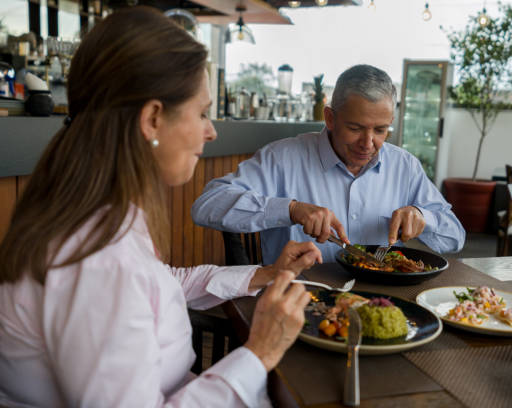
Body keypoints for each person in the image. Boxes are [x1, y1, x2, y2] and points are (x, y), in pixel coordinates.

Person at [0, 7, 322, 407]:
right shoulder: (98, 260)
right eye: (202, 112)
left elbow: (163, 284)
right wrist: (260, 353)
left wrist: (266, 274)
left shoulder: (102, 213)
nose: (212, 130)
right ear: (152, 118)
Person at [192, 64, 465, 264]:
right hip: (299, 304)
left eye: (381, 130)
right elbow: (205, 206)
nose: (368, 143)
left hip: (383, 302)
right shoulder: (282, 158)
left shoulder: (404, 166)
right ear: (330, 118)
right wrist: (290, 209)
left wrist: (422, 216)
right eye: (356, 128)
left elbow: (455, 238)